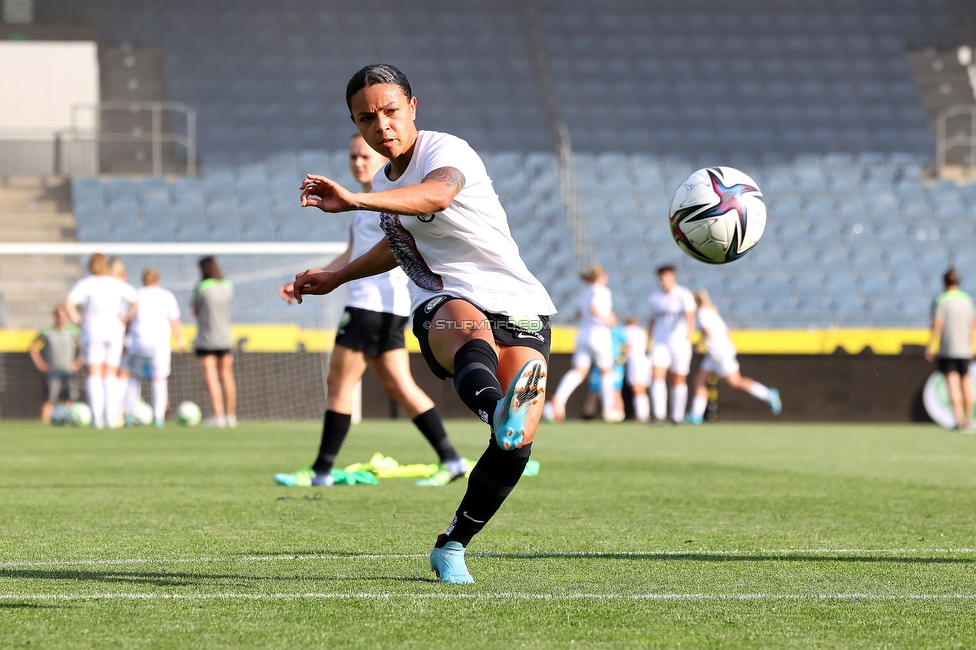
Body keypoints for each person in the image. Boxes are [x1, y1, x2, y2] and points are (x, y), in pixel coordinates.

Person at [291, 64, 556, 583]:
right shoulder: (389, 186)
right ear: (356, 123)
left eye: (390, 111)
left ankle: (453, 543)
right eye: (366, 118)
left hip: (519, 299)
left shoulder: (445, 152)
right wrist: (338, 276)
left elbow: (435, 196)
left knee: (516, 444)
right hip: (445, 300)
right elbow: (398, 245)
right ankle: (497, 408)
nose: (381, 125)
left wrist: (355, 198)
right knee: (469, 333)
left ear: (413, 106)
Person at [274, 133, 467, 487]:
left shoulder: (387, 201)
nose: (359, 162)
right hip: (386, 310)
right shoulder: (363, 207)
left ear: (380, 158)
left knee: (339, 382)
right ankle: (451, 459)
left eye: (365, 156)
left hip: (369, 306)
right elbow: (353, 255)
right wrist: (319, 276)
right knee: (399, 386)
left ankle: (320, 471)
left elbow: (399, 248)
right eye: (353, 157)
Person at [685, 289, 781, 424]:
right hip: (714, 354)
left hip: (720, 353)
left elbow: (707, 331)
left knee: (735, 382)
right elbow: (727, 331)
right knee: (699, 381)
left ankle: (768, 395)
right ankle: (695, 415)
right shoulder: (712, 312)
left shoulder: (702, 313)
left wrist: (698, 344)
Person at [64, 253, 138, 429]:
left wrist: (78, 320)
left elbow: (68, 303)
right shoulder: (116, 284)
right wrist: (125, 318)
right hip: (114, 330)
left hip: (93, 329)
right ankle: (111, 418)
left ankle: (97, 419)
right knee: (110, 374)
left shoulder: (86, 284)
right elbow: (135, 302)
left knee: (95, 374)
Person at [547, 265, 623, 423]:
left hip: (584, 335)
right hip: (599, 335)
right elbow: (593, 307)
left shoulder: (586, 292)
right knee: (607, 371)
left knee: (579, 371)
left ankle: (559, 400)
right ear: (602, 276)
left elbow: (579, 312)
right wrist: (608, 319)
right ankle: (609, 410)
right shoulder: (602, 291)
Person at [124, 268, 185, 427]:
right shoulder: (166, 296)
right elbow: (174, 320)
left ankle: (129, 415)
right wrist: (180, 339)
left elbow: (129, 319)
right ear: (158, 280)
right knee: (159, 379)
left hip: (138, 342)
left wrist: (125, 340)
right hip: (159, 344)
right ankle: (159, 418)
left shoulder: (137, 295)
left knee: (134, 378)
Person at [926, 266, 975, 431]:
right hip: (965, 350)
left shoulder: (941, 300)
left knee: (953, 387)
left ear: (944, 283)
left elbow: (937, 325)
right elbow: (972, 326)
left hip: (948, 350)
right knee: (966, 385)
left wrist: (931, 345)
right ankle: (969, 420)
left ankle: (959, 421)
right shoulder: (967, 299)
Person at [647, 265, 696, 424]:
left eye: (666, 277)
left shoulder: (683, 294)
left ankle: (677, 416)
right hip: (660, 342)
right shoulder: (655, 297)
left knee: (678, 379)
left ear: (673, 277)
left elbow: (690, 315)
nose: (663, 281)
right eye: (660, 278)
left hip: (679, 342)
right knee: (657, 376)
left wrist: (689, 333)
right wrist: (649, 338)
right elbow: (652, 319)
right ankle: (659, 415)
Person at [193, 256, 237, 428]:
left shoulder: (202, 287)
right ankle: (231, 416)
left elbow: (196, 311)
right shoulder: (228, 286)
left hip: (207, 337)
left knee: (211, 377)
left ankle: (218, 416)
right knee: (227, 375)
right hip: (225, 336)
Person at [29, 305, 82, 423]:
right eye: (58, 315)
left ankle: (70, 419)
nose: (61, 318)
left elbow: (83, 347)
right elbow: (33, 347)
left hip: (68, 370)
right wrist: (40, 363)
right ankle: (45, 422)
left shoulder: (74, 331)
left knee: (69, 398)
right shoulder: (46, 331)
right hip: (52, 370)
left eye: (63, 315)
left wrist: (77, 362)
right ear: (55, 316)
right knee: (49, 398)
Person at [623, 315, 651, 422]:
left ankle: (641, 414)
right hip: (645, 360)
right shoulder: (642, 332)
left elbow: (629, 346)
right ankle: (644, 413)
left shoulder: (628, 331)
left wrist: (623, 357)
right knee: (643, 388)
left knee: (637, 387)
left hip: (634, 361)